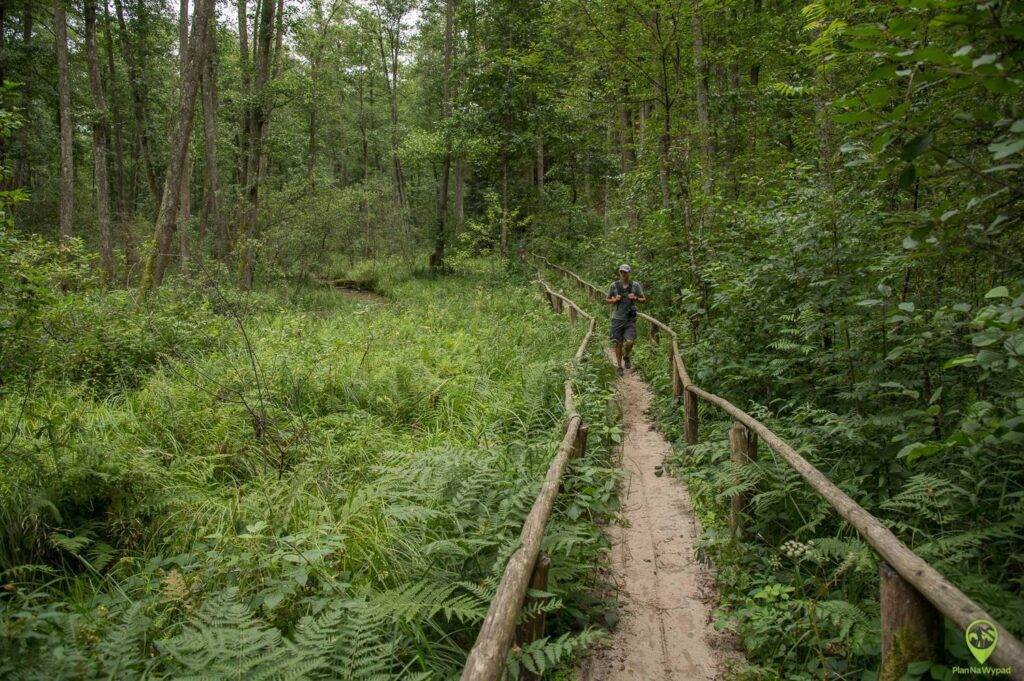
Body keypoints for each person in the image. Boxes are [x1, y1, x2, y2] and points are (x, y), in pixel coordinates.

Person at [606, 264, 646, 375]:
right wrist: (614, 300)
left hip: (630, 319)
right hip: (617, 319)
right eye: (621, 272)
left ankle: (626, 356)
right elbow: (607, 299)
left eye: (625, 272)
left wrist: (636, 298)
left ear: (629, 273)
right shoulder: (614, 286)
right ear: (619, 273)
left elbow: (644, 299)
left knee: (629, 342)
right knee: (617, 343)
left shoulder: (635, 285)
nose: (623, 274)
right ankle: (619, 366)